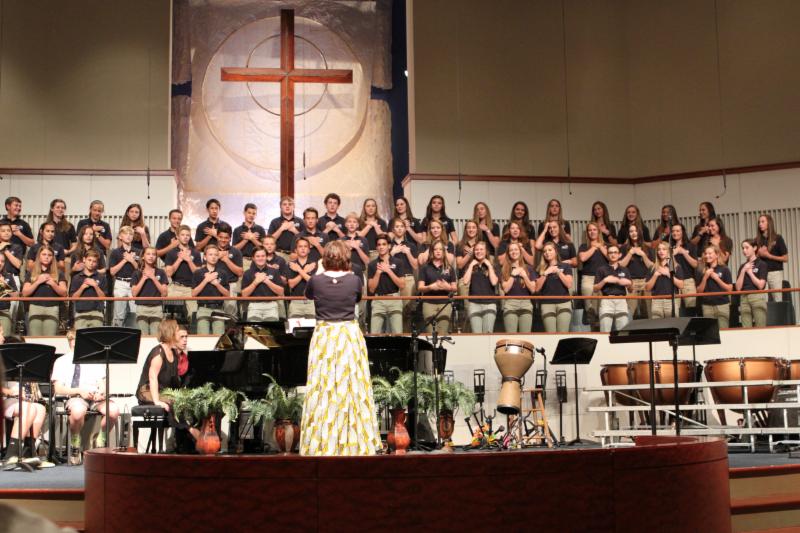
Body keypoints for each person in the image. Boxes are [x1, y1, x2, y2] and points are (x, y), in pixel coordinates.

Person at [299, 240, 381, 456]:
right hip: (348, 335)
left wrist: (319, 270)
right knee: (352, 386)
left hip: (325, 337)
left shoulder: (316, 280)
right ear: (346, 258)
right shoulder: (354, 280)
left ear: (325, 259)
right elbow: (357, 298)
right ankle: (354, 442)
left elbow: (308, 294)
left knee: (323, 387)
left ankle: (322, 443)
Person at [52, 330, 119, 464]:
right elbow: (58, 389)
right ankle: (75, 442)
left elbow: (102, 384)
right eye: (72, 341)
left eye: (77, 341)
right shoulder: (61, 361)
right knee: (77, 412)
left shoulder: (95, 360)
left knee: (113, 410)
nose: (74, 344)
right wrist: (79, 391)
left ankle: (100, 439)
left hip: (94, 397)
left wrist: (100, 393)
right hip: (75, 396)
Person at [22, 246, 67, 335]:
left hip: (52, 308)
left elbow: (64, 293)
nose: (46, 257)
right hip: (35, 307)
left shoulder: (59, 273)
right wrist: (38, 282)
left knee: (50, 338)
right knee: (35, 338)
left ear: (53, 257)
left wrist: (53, 283)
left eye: (49, 255)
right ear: (39, 256)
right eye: (44, 254)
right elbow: (25, 293)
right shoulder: (31, 272)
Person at [367, 234, 405, 334]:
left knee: (397, 334)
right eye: (379, 244)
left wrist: (388, 271)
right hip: (378, 300)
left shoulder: (398, 262)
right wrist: (378, 272)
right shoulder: (372, 264)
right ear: (376, 247)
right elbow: (371, 289)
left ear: (389, 246)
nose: (381, 247)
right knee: (374, 334)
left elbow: (402, 285)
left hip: (394, 300)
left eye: (384, 244)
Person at [164, 225, 202, 320]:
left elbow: (198, 274)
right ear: (177, 236)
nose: (185, 237)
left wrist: (189, 260)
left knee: (194, 315)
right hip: (175, 288)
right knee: (169, 314)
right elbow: (169, 273)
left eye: (187, 235)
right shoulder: (171, 252)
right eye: (183, 235)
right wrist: (180, 259)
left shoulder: (195, 253)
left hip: (190, 289)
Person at [417, 240, 456, 335]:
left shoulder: (449, 268)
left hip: (445, 304)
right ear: (432, 251)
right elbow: (420, 287)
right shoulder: (425, 267)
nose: (438, 251)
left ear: (444, 251)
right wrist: (430, 287)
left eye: (440, 249)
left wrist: (448, 287)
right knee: (430, 334)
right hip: (428, 304)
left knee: (442, 334)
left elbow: (455, 288)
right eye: (435, 249)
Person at [389, 217, 419, 332]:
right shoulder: (388, 245)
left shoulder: (411, 245)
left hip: (408, 279)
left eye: (402, 226)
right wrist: (392, 253)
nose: (399, 229)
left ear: (405, 229)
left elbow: (415, 265)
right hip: (391, 279)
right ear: (393, 229)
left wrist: (408, 253)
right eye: (397, 227)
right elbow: (382, 263)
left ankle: (406, 335)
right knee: (393, 310)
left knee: (407, 311)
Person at [191, 244, 230, 335]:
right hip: (203, 308)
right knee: (203, 337)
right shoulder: (198, 273)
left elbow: (227, 294)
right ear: (205, 257)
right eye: (210, 254)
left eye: (216, 255)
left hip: (218, 309)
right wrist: (206, 280)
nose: (213, 257)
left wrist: (217, 284)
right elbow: (193, 294)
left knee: (219, 337)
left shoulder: (223, 273)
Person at [535, 242, 573, 332]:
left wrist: (558, 271)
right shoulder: (540, 268)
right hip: (547, 304)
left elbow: (569, 284)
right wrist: (546, 273)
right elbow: (537, 289)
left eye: (550, 250)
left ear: (555, 251)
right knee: (550, 334)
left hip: (564, 303)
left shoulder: (565, 266)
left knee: (563, 333)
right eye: (545, 251)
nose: (547, 253)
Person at [500, 242, 538, 333]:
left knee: (525, 336)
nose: (514, 252)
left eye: (516, 249)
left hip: (526, 303)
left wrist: (524, 276)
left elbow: (533, 289)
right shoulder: (504, 269)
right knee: (511, 336)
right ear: (508, 253)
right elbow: (506, 289)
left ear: (520, 252)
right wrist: (513, 275)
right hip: (510, 304)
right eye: (511, 250)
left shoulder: (529, 268)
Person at [594, 245, 633, 333]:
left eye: (615, 252)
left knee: (623, 331)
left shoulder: (625, 270)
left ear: (619, 255)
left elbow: (631, 290)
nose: (613, 254)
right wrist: (605, 280)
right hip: (607, 301)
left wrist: (629, 283)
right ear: (607, 255)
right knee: (605, 331)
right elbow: (595, 289)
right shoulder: (601, 269)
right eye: (610, 253)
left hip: (621, 300)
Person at [462, 241, 498, 333]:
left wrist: (489, 265)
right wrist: (471, 265)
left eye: (481, 249)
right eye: (476, 250)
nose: (479, 252)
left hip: (489, 304)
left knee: (488, 334)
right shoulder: (470, 265)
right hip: (474, 304)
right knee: (476, 334)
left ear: (486, 252)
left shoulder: (492, 265)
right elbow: (465, 281)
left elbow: (494, 282)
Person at [241, 246, 285, 322]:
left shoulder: (274, 271)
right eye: (257, 256)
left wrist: (267, 281)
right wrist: (255, 282)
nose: (260, 258)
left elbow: (281, 292)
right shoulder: (247, 273)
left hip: (271, 305)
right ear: (253, 258)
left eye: (263, 256)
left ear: (266, 257)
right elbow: (244, 294)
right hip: (254, 306)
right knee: (253, 329)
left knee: (271, 329)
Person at [131, 247, 168, 335]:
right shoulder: (137, 273)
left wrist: (154, 278)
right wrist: (144, 278)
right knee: (143, 337)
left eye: (153, 254)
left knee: (155, 337)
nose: (151, 256)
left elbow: (164, 293)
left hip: (156, 308)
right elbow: (134, 293)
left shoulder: (161, 272)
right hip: (142, 308)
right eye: (148, 254)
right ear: (143, 256)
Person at [620, 224, 654, 319]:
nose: (633, 233)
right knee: (630, 311)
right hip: (631, 282)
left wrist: (643, 255)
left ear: (640, 232)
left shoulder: (647, 248)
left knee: (648, 311)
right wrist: (630, 253)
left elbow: (651, 266)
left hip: (646, 282)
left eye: (635, 231)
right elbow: (621, 265)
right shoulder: (624, 248)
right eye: (631, 231)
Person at [577, 222, 609, 325]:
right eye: (590, 230)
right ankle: (593, 329)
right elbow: (582, 258)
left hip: (603, 279)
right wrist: (593, 247)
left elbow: (611, 258)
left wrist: (600, 246)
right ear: (587, 233)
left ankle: (602, 330)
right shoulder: (584, 246)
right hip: (588, 279)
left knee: (603, 308)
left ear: (598, 231)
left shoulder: (606, 245)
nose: (592, 232)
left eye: (594, 229)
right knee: (590, 310)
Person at [108, 226, 139, 327]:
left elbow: (140, 270)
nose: (128, 236)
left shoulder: (137, 251)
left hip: (134, 284)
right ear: (120, 236)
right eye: (126, 234)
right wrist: (125, 260)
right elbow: (112, 272)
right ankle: (117, 332)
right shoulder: (115, 252)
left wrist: (132, 260)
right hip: (120, 283)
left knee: (134, 312)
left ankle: (134, 332)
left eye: (131, 234)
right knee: (119, 314)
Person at [697, 244, 733, 329]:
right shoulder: (701, 270)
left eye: (710, 253)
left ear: (717, 255)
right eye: (706, 253)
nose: (707, 256)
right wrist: (705, 277)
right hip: (707, 306)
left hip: (722, 305)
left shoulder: (724, 269)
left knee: (723, 330)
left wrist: (717, 279)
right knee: (710, 332)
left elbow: (730, 289)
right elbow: (699, 291)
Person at [69, 249, 107, 329]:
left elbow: (103, 298)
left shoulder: (101, 277)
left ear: (97, 263)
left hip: (97, 313)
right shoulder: (76, 278)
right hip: (81, 313)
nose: (91, 263)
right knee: (81, 336)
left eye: (94, 261)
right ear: (84, 260)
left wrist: (95, 286)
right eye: (89, 260)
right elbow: (73, 299)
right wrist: (82, 287)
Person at [646, 242, 685, 319]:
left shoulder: (676, 267)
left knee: (672, 324)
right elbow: (647, 288)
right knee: (657, 324)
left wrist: (668, 274)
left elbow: (681, 285)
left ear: (669, 251)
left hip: (671, 300)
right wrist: (655, 275)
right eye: (659, 249)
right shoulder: (652, 268)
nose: (661, 251)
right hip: (656, 301)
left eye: (664, 249)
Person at [755, 213, 789, 302]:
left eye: (763, 222)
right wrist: (758, 254)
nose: (760, 224)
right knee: (763, 300)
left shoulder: (778, 238)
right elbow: (753, 259)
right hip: (761, 273)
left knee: (777, 299)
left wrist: (768, 256)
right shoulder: (757, 240)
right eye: (759, 222)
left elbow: (785, 258)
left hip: (775, 273)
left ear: (769, 223)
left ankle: (779, 312)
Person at [736, 239, 768, 328]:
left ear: (754, 248)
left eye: (747, 248)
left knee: (760, 326)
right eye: (743, 248)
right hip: (744, 298)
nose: (744, 250)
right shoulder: (742, 266)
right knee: (746, 328)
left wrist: (750, 273)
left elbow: (761, 285)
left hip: (757, 296)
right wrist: (743, 271)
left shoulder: (762, 264)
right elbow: (738, 288)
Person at [215, 224, 244, 318]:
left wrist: (226, 260)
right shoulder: (211, 250)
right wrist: (217, 257)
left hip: (231, 285)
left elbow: (240, 273)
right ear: (217, 236)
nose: (223, 240)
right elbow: (204, 270)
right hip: (214, 285)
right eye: (221, 237)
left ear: (230, 238)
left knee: (230, 316)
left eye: (226, 238)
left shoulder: (236, 251)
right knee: (215, 314)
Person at [286, 237, 317, 319]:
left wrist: (299, 270)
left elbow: (314, 283)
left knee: (312, 326)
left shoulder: (314, 264)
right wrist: (305, 271)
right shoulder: (291, 265)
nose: (303, 248)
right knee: (294, 326)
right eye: (300, 246)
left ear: (309, 250)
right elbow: (291, 284)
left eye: (305, 246)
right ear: (296, 250)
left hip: (311, 302)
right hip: (295, 302)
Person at [671, 223, 699, 310]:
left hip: (688, 280)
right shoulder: (669, 247)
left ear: (682, 232)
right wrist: (673, 253)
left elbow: (695, 264)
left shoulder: (691, 245)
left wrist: (683, 252)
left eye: (677, 231)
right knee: (675, 309)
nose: (675, 233)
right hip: (674, 282)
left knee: (691, 308)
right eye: (673, 231)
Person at [268, 196, 303, 263]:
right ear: (280, 207)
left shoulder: (300, 221)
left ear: (294, 206)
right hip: (279, 254)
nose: (287, 206)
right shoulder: (274, 222)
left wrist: (294, 230)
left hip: (296, 255)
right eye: (284, 204)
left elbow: (306, 240)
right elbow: (269, 241)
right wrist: (281, 228)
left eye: (290, 204)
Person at [232, 203, 266, 273]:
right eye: (249, 213)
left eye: (254, 213)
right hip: (242, 261)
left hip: (258, 262)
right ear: (244, 213)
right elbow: (234, 249)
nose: (251, 215)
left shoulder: (260, 229)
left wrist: (253, 239)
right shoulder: (237, 230)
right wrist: (245, 239)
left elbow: (264, 248)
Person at [456, 221, 482, 297]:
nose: (471, 230)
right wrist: (470, 253)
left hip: (479, 276)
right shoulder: (460, 245)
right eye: (469, 228)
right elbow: (460, 265)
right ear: (465, 230)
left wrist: (476, 250)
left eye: (473, 227)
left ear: (477, 230)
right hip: (464, 277)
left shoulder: (482, 244)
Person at [341, 213, 370, 277]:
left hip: (360, 272)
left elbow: (367, 261)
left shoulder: (364, 240)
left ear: (357, 225)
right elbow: (338, 260)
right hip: (344, 272)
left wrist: (357, 248)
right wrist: (347, 248)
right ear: (345, 224)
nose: (352, 224)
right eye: (349, 221)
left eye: (354, 222)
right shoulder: (340, 240)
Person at [0, 253, 18, 335]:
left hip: (4, 312)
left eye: (2, 261)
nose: (0, 263)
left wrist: (5, 285)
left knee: (5, 338)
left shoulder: (8, 276)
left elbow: (16, 296)